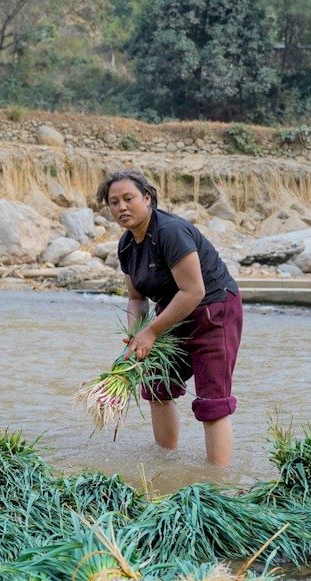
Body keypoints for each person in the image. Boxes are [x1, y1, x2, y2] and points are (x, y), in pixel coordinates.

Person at [98, 169, 242, 467]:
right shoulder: (126, 245)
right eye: (114, 202)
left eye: (129, 198)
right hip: (171, 316)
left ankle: (217, 482)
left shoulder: (170, 231)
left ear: (147, 198)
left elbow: (193, 291)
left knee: (212, 399)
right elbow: (136, 298)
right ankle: (166, 464)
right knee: (156, 385)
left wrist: (151, 332)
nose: (121, 207)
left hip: (213, 311)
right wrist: (136, 336)